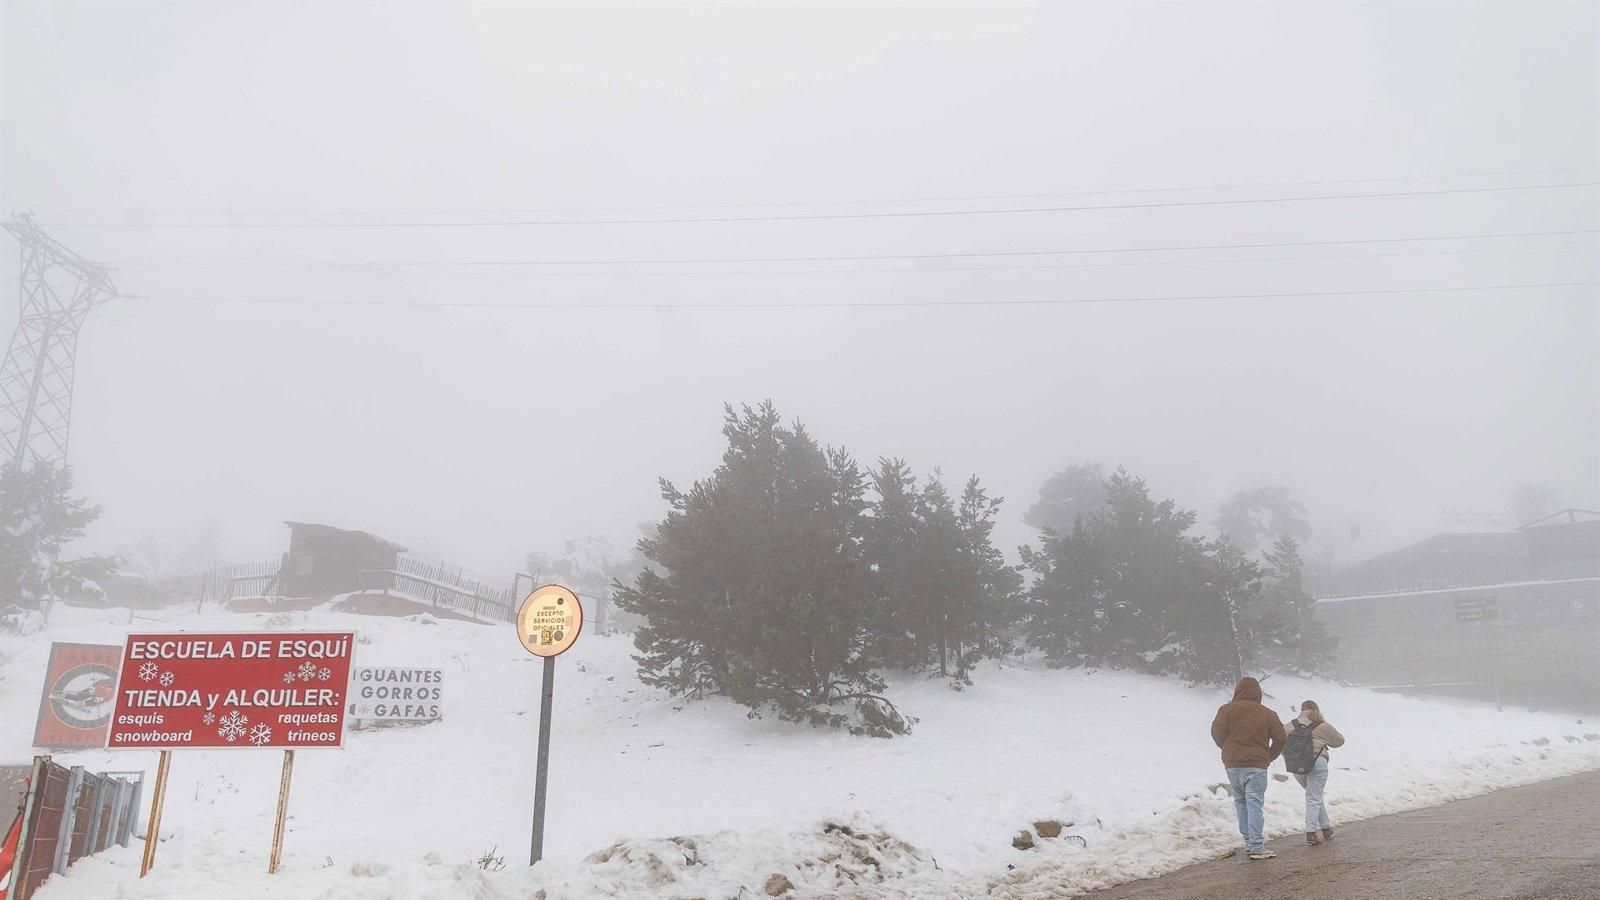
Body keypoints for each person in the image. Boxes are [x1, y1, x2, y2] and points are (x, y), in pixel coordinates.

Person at [1210, 676, 1286, 860]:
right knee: (1254, 803)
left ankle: (1249, 841)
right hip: (1256, 764)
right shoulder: (1267, 713)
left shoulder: (1226, 710)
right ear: (1258, 693)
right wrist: (1269, 756)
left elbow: (1216, 732)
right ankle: (1257, 846)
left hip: (1232, 764)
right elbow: (1281, 738)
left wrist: (1228, 749)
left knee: (1241, 802)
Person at [1287, 700, 1345, 844]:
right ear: (1316, 710)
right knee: (1314, 796)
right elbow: (1339, 741)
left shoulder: (1290, 725)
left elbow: (1281, 743)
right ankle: (1311, 832)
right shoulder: (1321, 725)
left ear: (1301, 710)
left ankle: (1326, 828)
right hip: (1317, 762)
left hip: (1297, 765)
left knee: (1314, 794)